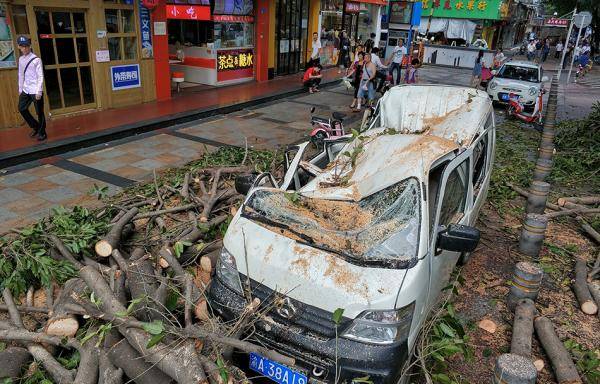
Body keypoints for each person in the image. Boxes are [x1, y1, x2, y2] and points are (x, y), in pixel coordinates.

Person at [17, 35, 46, 141]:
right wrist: (20, 89)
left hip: (35, 90)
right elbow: (21, 74)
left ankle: (42, 132)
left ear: (30, 46)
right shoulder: (21, 59)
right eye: (22, 46)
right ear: (19, 47)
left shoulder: (36, 60)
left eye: (26, 46)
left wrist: (39, 90)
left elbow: (40, 76)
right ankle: (36, 126)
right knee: (22, 108)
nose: (24, 48)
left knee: (39, 112)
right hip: (26, 89)